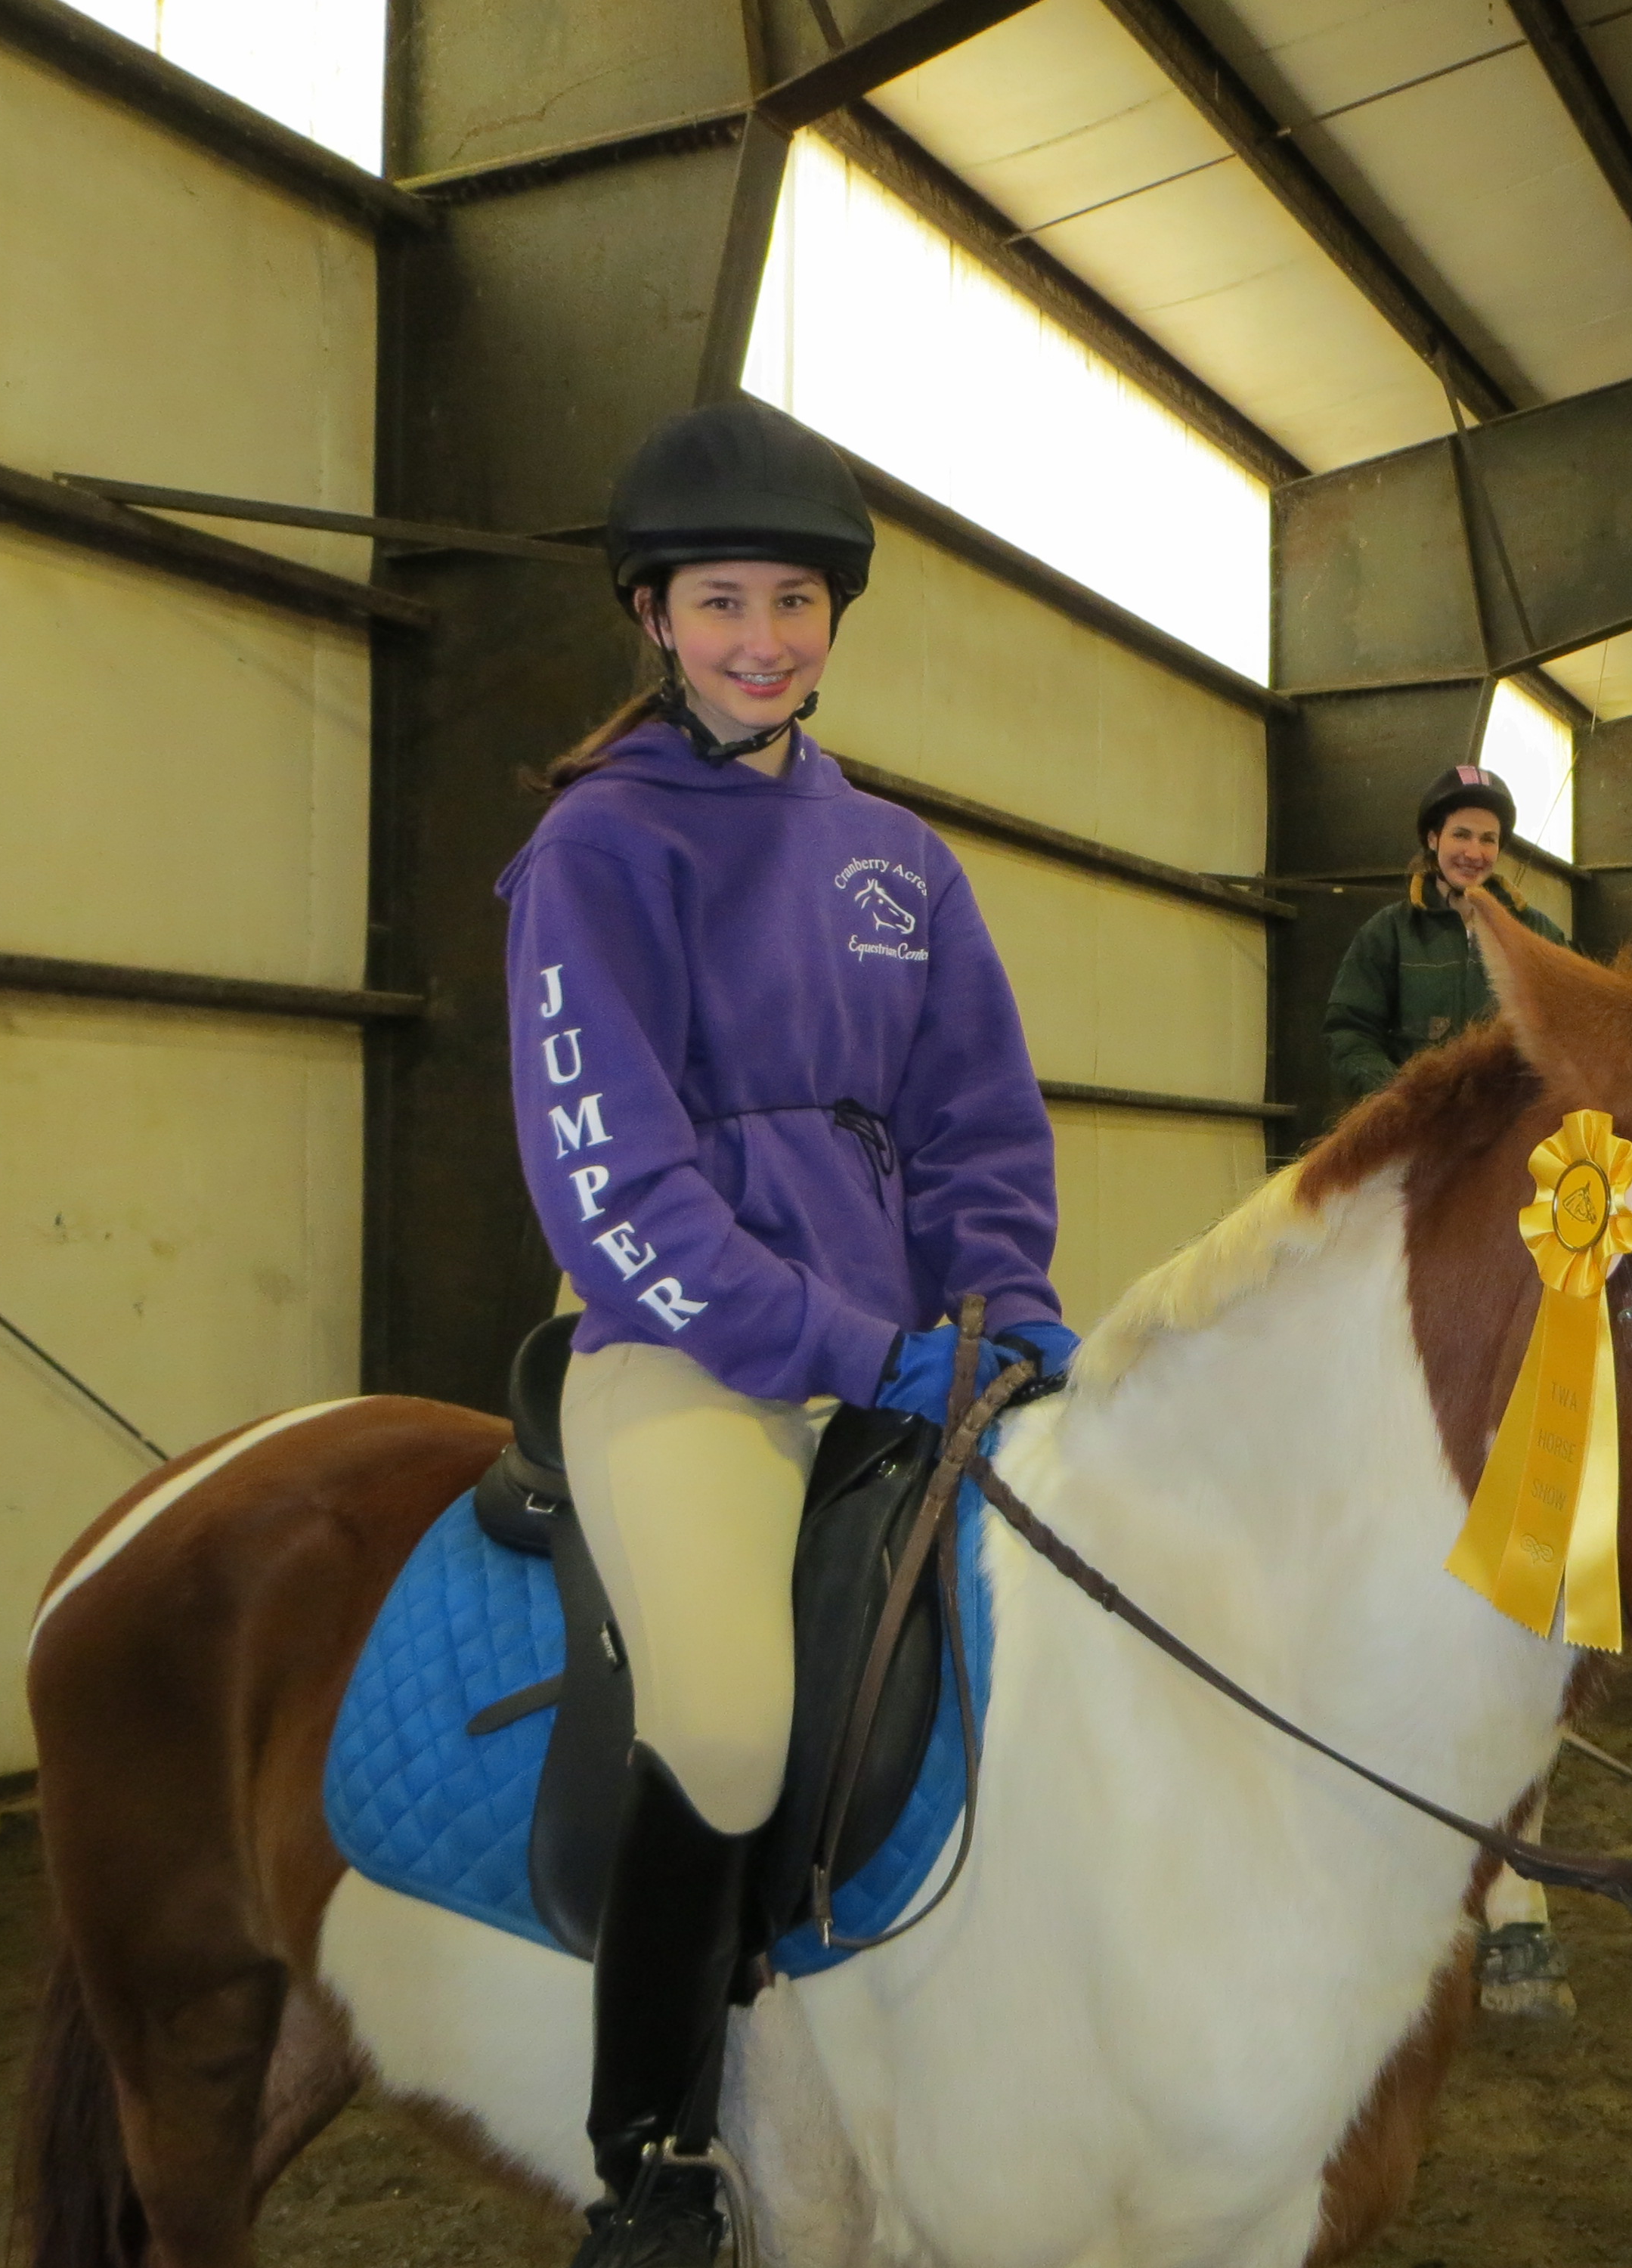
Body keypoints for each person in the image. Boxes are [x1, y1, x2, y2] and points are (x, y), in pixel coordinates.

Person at [500, 397, 1078, 2268]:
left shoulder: (900, 861)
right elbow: (623, 1195)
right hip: (694, 1360)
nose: (764, 635)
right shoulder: (598, 848)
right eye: (723, 600)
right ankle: (650, 2150)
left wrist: (1006, 1310)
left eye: (796, 603)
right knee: (736, 1720)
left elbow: (981, 1122)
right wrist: (847, 1345)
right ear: (655, 618)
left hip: (915, 1351)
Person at [1321, 764, 1568, 1098]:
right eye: (1461, 835)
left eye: (1488, 840)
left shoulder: (1539, 933)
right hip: (1418, 1131)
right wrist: (1402, 1099)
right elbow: (1350, 1032)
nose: (1474, 853)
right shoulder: (1387, 933)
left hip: (1512, 1132)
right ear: (1433, 838)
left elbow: (1569, 1029)